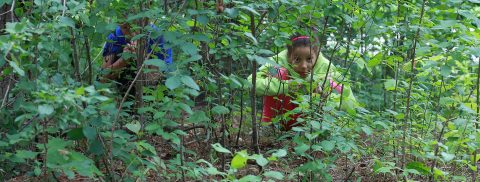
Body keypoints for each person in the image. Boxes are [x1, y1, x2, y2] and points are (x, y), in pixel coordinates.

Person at [248, 34, 357, 131]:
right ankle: (270, 126)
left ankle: (315, 132)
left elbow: (350, 102)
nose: (304, 66)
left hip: (309, 125)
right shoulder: (279, 60)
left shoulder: (326, 67)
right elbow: (251, 83)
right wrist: (287, 86)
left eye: (309, 59)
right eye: (297, 60)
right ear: (289, 56)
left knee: (328, 81)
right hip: (280, 119)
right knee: (277, 72)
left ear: (317, 55)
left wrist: (325, 97)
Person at [101, 22, 173, 96]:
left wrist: (141, 58)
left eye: (134, 28)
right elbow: (102, 79)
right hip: (127, 89)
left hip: (156, 91)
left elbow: (156, 79)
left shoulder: (157, 36)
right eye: (125, 28)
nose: (131, 33)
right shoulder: (114, 36)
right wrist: (123, 60)